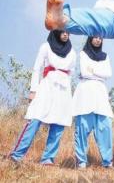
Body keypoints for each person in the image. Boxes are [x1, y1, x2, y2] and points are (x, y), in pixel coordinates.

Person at [10, 30, 76, 165]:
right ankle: (17, 155)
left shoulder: (72, 52)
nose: (65, 34)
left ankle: (48, 159)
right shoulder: (46, 46)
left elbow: (71, 72)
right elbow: (37, 68)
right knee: (35, 118)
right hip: (47, 86)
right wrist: (33, 90)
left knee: (58, 123)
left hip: (63, 90)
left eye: (67, 32)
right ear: (56, 32)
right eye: (62, 32)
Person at [72, 36, 113, 169]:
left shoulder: (105, 56)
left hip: (100, 94)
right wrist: (99, 73)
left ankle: (107, 161)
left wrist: (93, 71)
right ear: (90, 39)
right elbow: (84, 71)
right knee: (82, 128)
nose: (97, 40)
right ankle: (81, 161)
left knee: (105, 127)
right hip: (86, 94)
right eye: (94, 37)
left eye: (100, 38)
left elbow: (108, 73)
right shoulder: (84, 53)